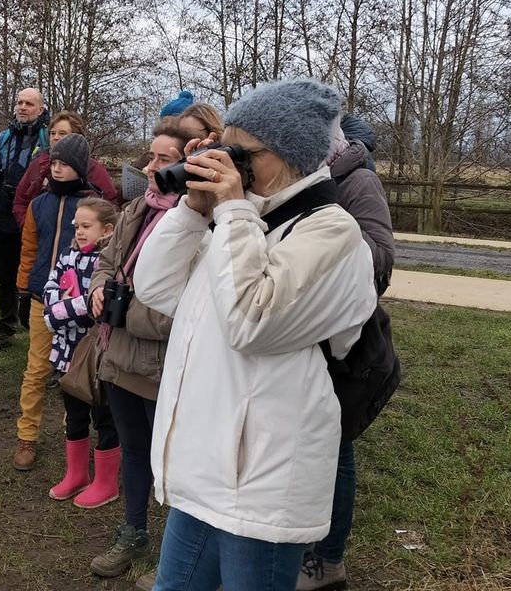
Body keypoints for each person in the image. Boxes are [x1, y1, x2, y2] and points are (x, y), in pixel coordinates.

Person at [133, 78, 377, 591]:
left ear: (289, 156)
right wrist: (194, 211)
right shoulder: (241, 224)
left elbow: (251, 324)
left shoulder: (332, 233)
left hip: (262, 481)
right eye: (226, 147)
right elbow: (153, 286)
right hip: (204, 468)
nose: (229, 163)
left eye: (241, 152)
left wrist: (231, 209)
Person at [86, 117, 195, 581]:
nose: (149, 167)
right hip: (120, 357)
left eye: (162, 159)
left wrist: (123, 311)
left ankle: (177, 551)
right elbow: (107, 261)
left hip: (161, 365)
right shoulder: (136, 210)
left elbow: (189, 304)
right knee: (133, 449)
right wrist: (98, 288)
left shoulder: (197, 224)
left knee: (170, 462)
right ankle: (133, 532)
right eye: (150, 156)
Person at [296, 111, 395, 591]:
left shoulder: (357, 181)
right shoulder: (301, 178)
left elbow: (381, 255)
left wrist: (328, 249)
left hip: (343, 340)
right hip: (300, 332)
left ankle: (327, 560)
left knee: (336, 450)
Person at [12, 133, 100, 471]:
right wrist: (23, 290)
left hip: (79, 306)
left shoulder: (92, 205)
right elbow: (29, 250)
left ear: (79, 167)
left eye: (65, 164)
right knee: (36, 369)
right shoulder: (39, 204)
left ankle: (73, 433)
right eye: (55, 164)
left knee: (74, 371)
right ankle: (27, 435)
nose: (58, 170)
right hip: (41, 299)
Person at [43, 197, 120, 508]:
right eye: (76, 226)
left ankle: (106, 481)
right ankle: (76, 474)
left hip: (98, 357)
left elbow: (94, 306)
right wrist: (65, 305)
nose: (79, 232)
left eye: (86, 226)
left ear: (107, 229)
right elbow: (49, 292)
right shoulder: (68, 255)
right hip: (66, 356)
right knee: (74, 416)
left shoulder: (109, 262)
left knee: (104, 417)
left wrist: (60, 310)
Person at [0, 87, 49, 351]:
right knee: (6, 274)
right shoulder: (5, 136)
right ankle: (5, 327)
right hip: (3, 211)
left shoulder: (48, 137)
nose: (22, 107)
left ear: (41, 109)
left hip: (34, 214)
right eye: (20, 103)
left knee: (35, 272)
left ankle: (36, 327)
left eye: (29, 104)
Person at [11, 110, 120, 228]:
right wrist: (31, 228)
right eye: (52, 133)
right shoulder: (38, 165)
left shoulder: (93, 169)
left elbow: (111, 209)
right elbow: (20, 201)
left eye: (62, 133)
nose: (56, 137)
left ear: (77, 136)